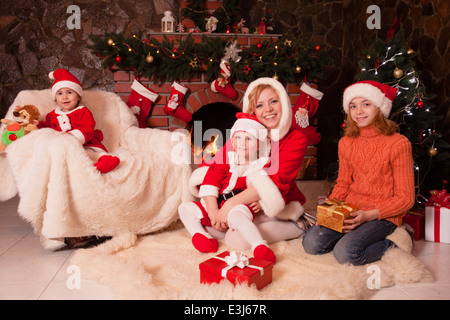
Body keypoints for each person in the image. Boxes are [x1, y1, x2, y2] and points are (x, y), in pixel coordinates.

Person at [188, 77, 312, 250]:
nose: (268, 109)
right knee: (211, 226)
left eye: (273, 102)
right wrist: (214, 211)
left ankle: (299, 226)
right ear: (253, 110)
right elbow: (214, 166)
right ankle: (239, 225)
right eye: (260, 105)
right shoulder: (244, 135)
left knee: (235, 240)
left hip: (272, 203)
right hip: (245, 201)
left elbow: (276, 181)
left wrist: (229, 206)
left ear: (283, 103)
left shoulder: (296, 139)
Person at [302, 80, 415, 266]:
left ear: (379, 107)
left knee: (346, 253)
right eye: (353, 106)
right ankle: (354, 236)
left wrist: (368, 215)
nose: (359, 111)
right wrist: (327, 213)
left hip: (381, 214)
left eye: (366, 104)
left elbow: (406, 198)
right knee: (311, 243)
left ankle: (399, 240)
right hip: (351, 209)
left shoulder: (398, 143)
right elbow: (343, 183)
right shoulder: (346, 142)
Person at [179, 112, 277, 263]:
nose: (242, 143)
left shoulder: (262, 164)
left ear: (258, 143)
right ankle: (203, 236)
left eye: (248, 139)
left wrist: (262, 202)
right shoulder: (226, 159)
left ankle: (259, 246)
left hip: (240, 205)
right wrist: (213, 212)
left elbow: (264, 187)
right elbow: (210, 183)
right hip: (217, 204)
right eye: (238, 138)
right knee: (185, 208)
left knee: (237, 216)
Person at [41, 69, 120, 174]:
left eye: (69, 92)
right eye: (60, 93)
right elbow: (47, 129)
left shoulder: (83, 111)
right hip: (64, 146)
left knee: (89, 153)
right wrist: (34, 126)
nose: (65, 97)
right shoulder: (52, 115)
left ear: (78, 96)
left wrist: (72, 136)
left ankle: (104, 161)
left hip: (85, 143)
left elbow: (87, 128)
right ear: (55, 98)